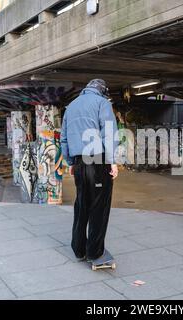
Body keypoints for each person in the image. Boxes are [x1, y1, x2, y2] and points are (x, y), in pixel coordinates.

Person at [61, 79, 119, 262]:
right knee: (99, 206)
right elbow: (109, 133)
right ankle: (94, 251)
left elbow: (63, 138)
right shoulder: (102, 103)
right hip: (97, 159)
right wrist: (112, 162)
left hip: (79, 161)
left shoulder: (70, 106)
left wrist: (70, 161)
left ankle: (78, 249)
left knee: (82, 204)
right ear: (102, 91)